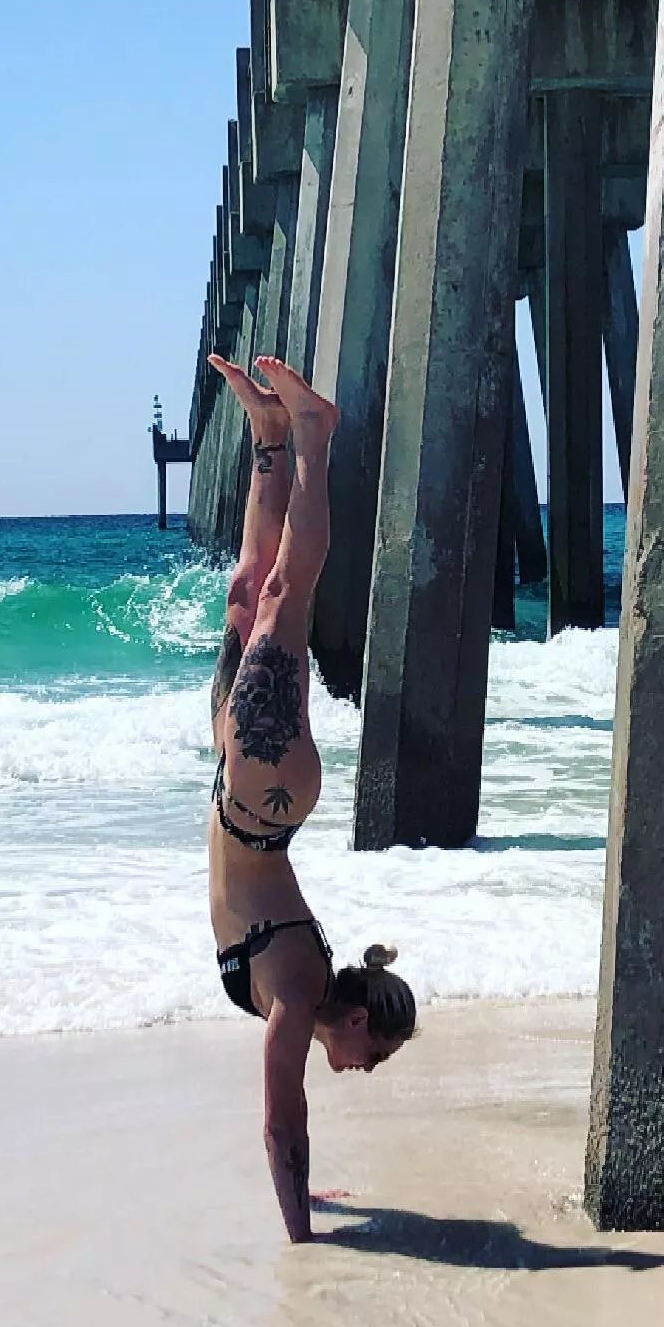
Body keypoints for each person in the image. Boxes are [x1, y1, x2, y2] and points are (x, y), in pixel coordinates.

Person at [203, 350, 417, 1241]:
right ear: (356, 1020)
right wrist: (303, 1241)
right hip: (266, 790)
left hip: (238, 781)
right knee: (287, 597)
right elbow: (280, 1123)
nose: (365, 1069)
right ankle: (314, 439)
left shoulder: (307, 988)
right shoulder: (296, 985)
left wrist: (314, 1198)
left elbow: (288, 1128)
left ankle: (268, 436)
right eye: (376, 1054)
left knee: (248, 590)